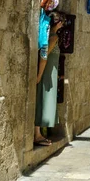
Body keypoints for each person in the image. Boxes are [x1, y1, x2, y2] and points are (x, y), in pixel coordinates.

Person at [34, 16, 63, 146]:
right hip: (46, 75)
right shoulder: (53, 38)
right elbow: (44, 57)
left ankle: (38, 133)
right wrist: (39, 76)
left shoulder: (51, 36)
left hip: (49, 74)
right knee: (43, 101)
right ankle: (37, 134)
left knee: (43, 101)